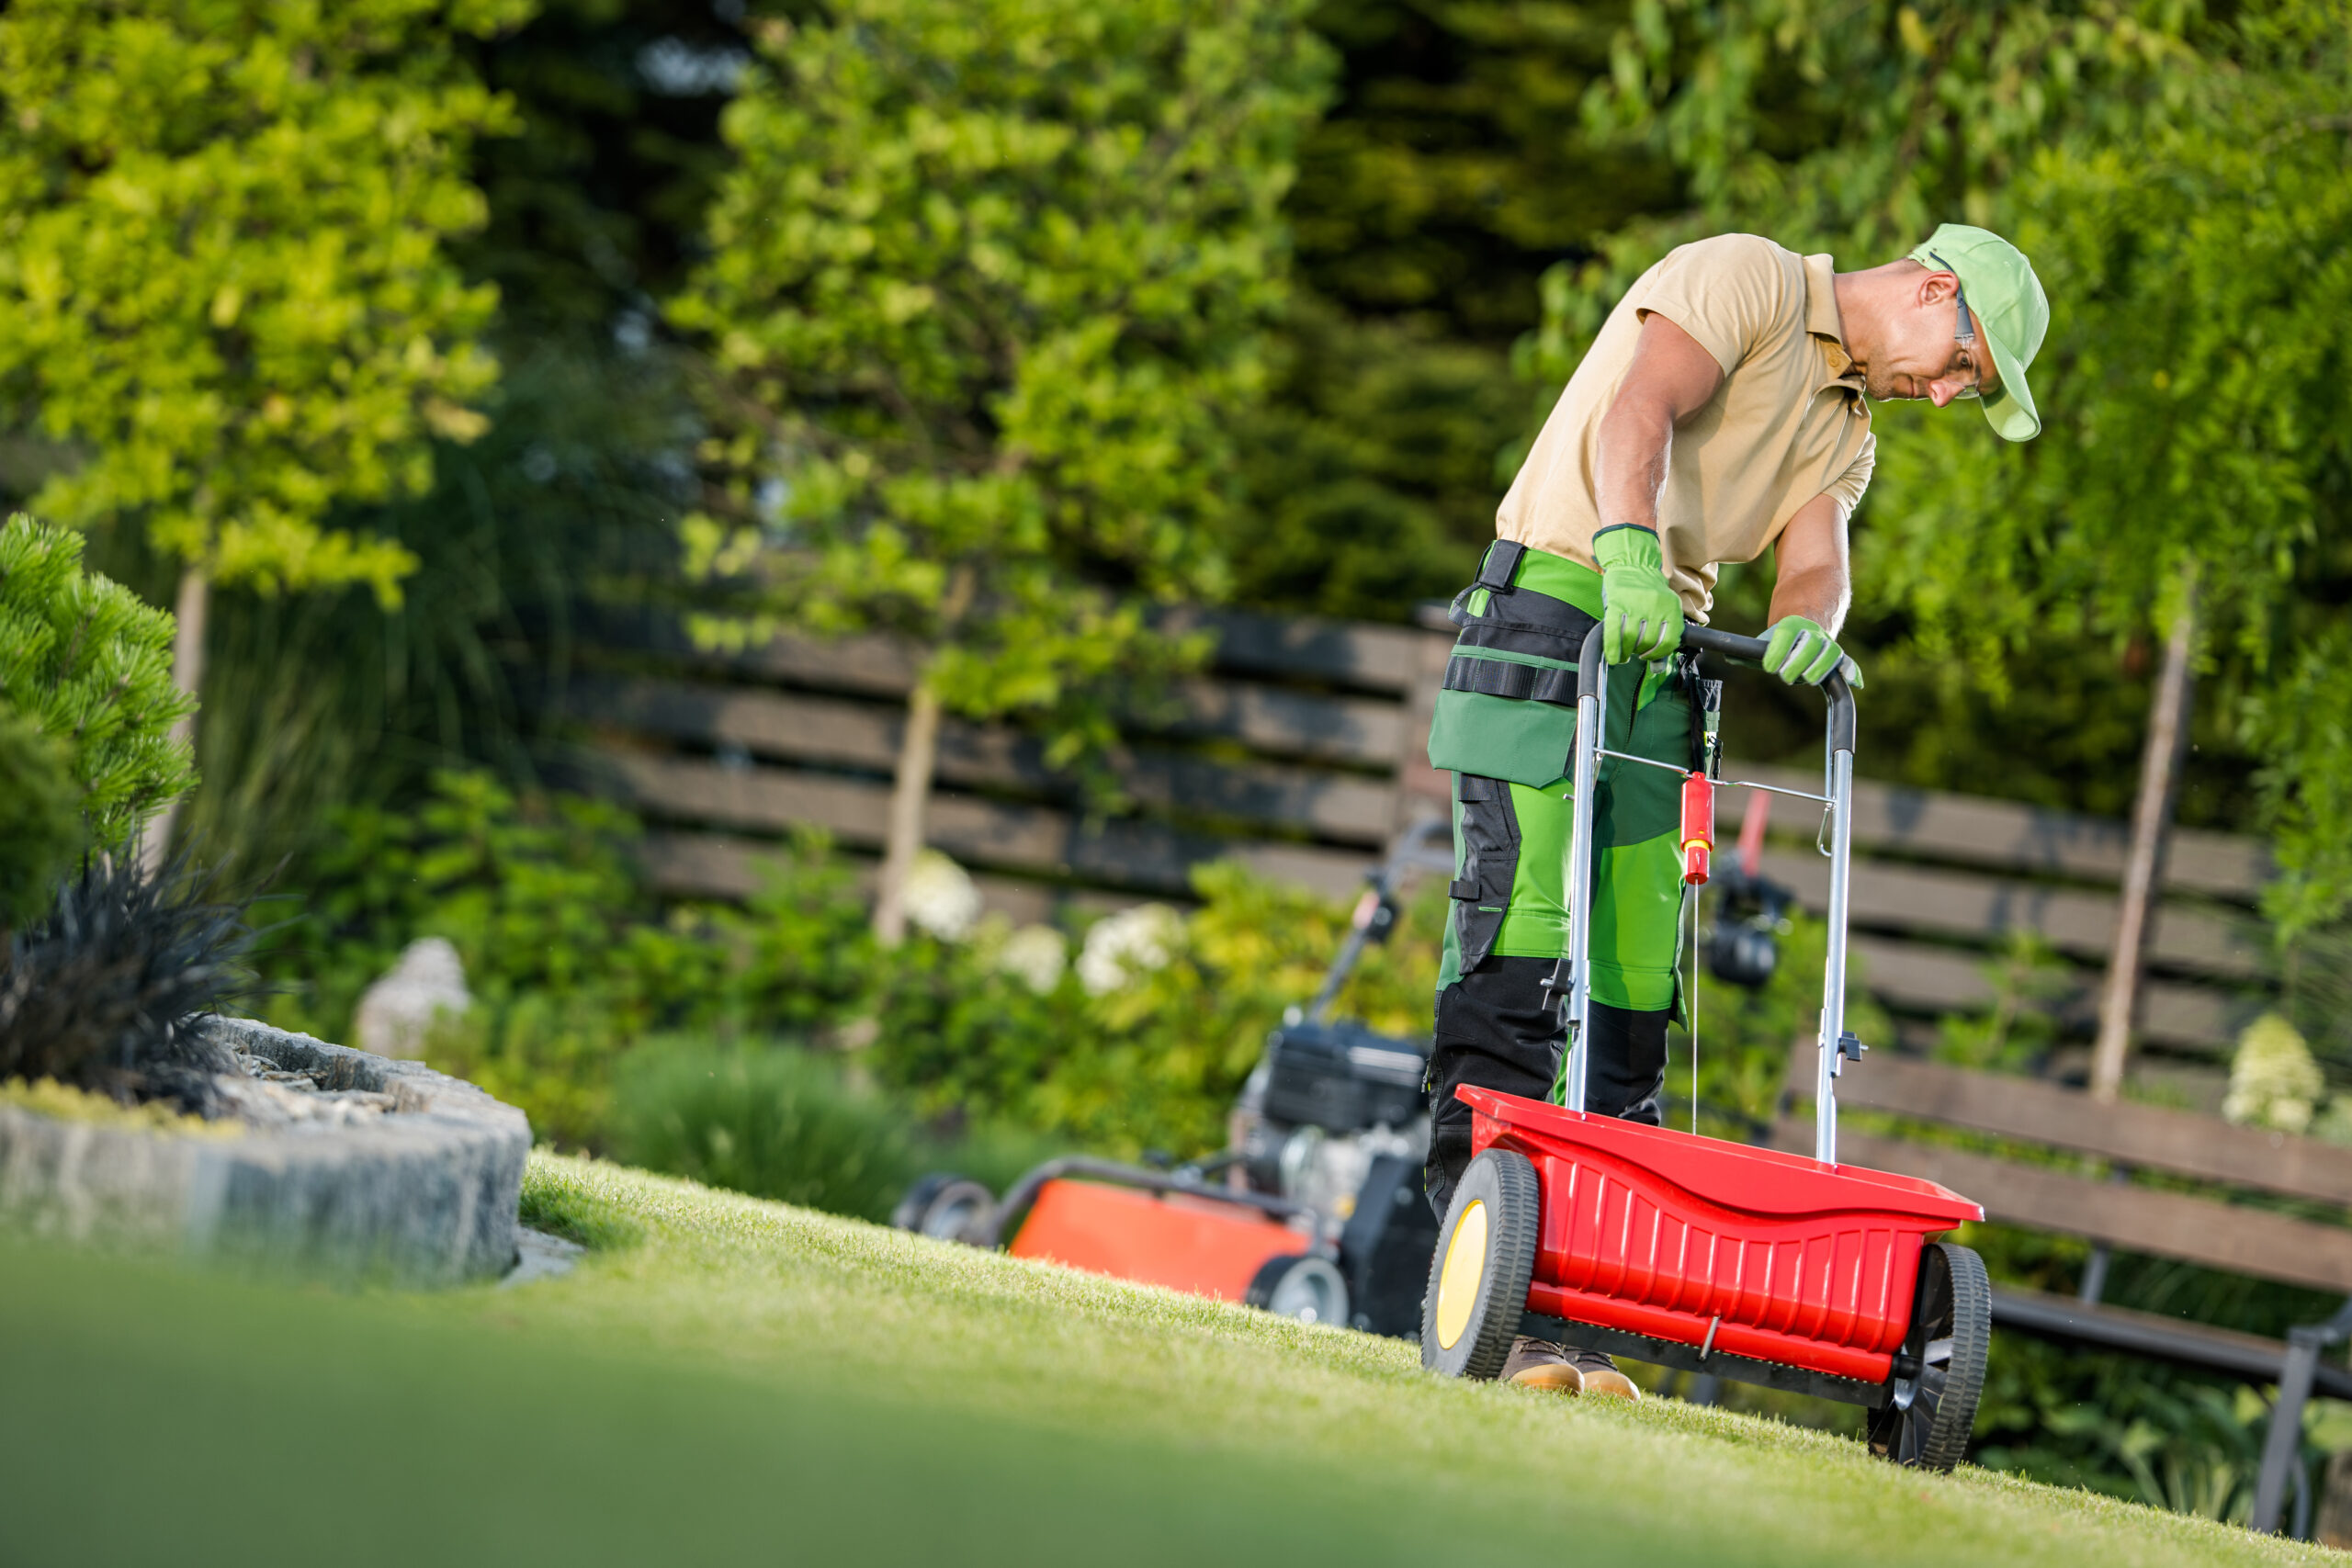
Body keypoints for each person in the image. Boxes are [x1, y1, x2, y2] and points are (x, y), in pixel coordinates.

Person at [1423, 223, 2049, 1398]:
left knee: (1629, 978)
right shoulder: (1748, 276)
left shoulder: (1848, 431)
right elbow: (1637, 412)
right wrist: (1625, 554)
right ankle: (1479, 1292)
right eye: (1969, 365)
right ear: (1933, 289)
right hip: (1559, 603)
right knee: (1522, 935)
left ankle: (1573, 1315)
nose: (1953, 395)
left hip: (1666, 654)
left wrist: (1812, 622)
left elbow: (1815, 559)